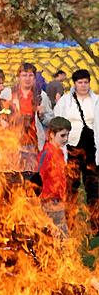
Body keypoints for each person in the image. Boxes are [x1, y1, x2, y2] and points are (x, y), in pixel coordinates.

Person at [54, 69, 99, 232]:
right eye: (80, 82)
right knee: (71, 188)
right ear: (74, 84)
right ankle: (70, 223)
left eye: (86, 82)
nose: (83, 85)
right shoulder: (66, 101)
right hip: (72, 147)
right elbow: (56, 121)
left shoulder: (96, 100)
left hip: (91, 149)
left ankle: (96, 224)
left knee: (93, 188)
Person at [1, 62, 54, 172]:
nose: (27, 78)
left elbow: (50, 120)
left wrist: (42, 114)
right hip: (13, 142)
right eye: (24, 75)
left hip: (33, 144)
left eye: (30, 75)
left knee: (30, 176)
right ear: (18, 77)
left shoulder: (41, 95)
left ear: (34, 78)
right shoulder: (8, 93)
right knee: (14, 175)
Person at [37, 117, 71, 237]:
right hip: (49, 203)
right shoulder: (47, 154)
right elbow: (38, 179)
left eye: (67, 135)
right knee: (60, 238)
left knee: (60, 238)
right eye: (62, 135)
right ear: (51, 134)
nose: (66, 139)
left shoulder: (60, 152)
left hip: (58, 201)